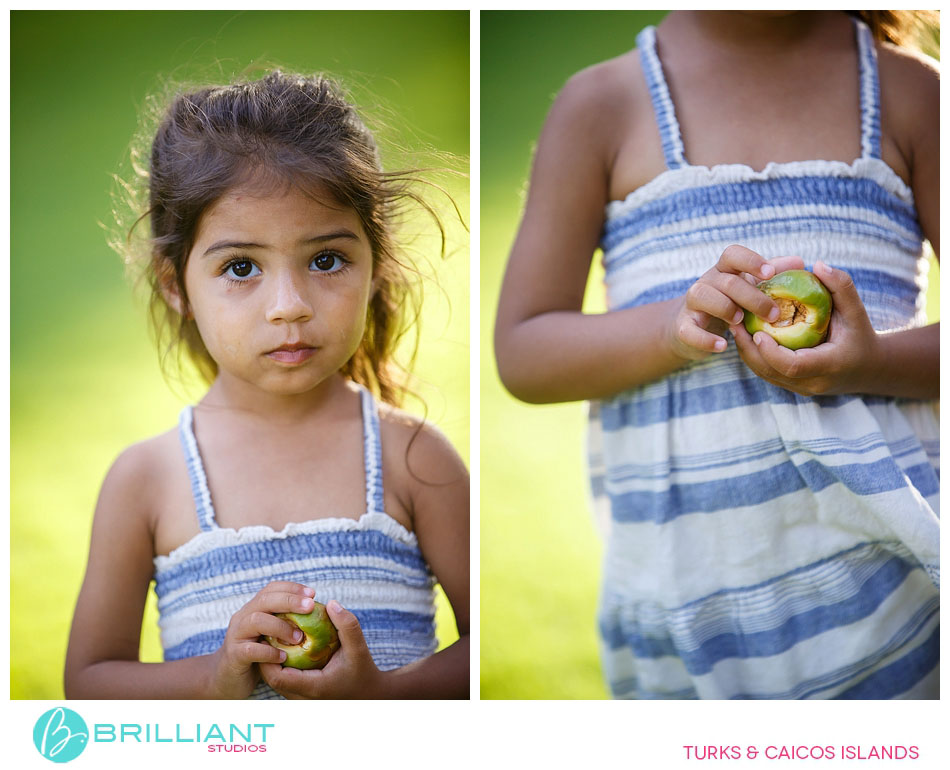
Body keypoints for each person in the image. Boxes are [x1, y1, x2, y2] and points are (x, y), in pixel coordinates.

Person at [494, 10, 938, 699]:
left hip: (898, 601)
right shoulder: (601, 106)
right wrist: (671, 329)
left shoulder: (912, 94)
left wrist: (868, 361)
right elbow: (524, 347)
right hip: (689, 612)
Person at [65, 71, 469, 699]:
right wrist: (214, 676)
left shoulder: (414, 458)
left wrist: (382, 694)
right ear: (176, 286)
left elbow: (483, 645)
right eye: (241, 267)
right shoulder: (146, 480)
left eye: (326, 259)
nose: (289, 306)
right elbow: (89, 683)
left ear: (376, 264)